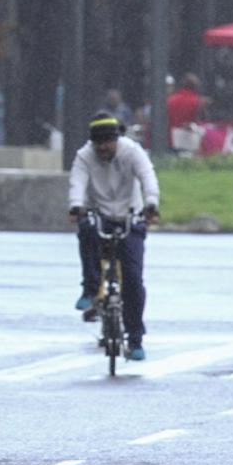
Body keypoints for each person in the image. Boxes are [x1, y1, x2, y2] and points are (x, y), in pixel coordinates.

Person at [68, 113, 160, 361]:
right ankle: (90, 290)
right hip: (99, 213)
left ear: (116, 140)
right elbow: (77, 182)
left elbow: (148, 177)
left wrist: (151, 204)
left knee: (133, 279)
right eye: (98, 144)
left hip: (131, 216)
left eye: (107, 143)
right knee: (86, 231)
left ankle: (136, 338)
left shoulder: (132, 152)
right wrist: (76, 206)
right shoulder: (84, 156)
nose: (102, 149)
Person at [166, 73, 208, 148]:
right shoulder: (197, 101)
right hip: (190, 140)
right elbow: (201, 120)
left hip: (171, 139)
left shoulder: (170, 100)